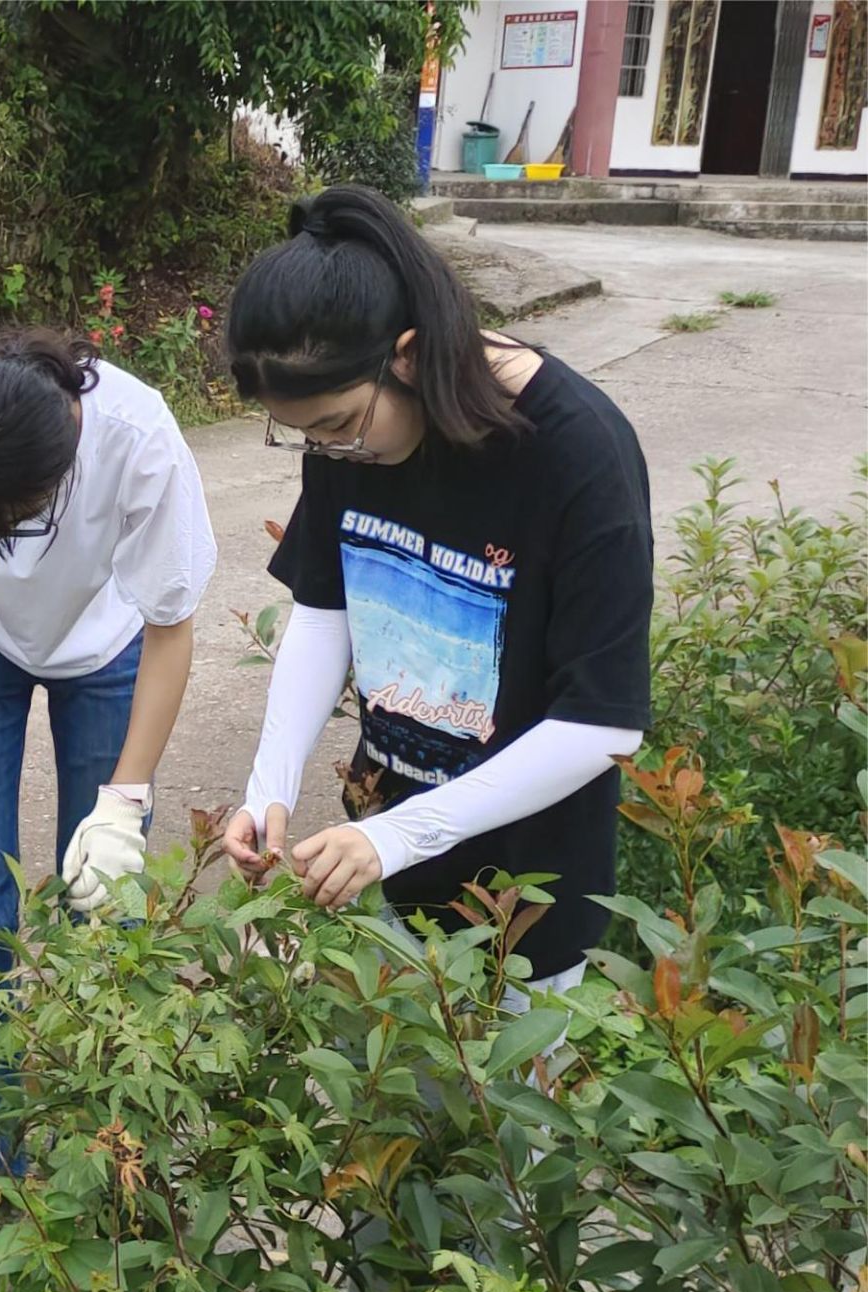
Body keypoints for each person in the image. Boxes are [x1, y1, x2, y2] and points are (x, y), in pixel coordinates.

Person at [220, 184, 652, 1008]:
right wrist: (268, 786)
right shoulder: (348, 433)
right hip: (389, 868)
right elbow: (325, 608)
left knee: (499, 1133)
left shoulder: (577, 452)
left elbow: (602, 723)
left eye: (339, 425)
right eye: (305, 435)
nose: (326, 450)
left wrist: (392, 839)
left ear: (408, 355)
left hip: (524, 908)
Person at [0, 330, 218, 1191]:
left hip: (111, 644)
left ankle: (102, 1165)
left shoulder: (137, 440)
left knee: (102, 903)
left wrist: (125, 801)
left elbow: (172, 631)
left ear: (60, 475)